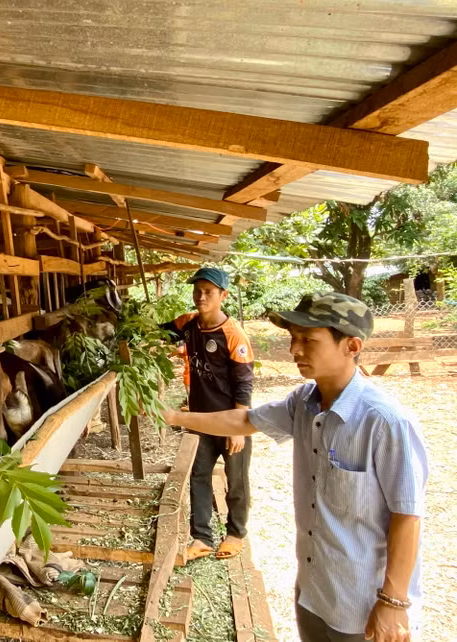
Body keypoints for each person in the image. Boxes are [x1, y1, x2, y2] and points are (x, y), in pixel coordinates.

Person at [162, 292, 429, 642]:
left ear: (351, 346)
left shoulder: (384, 422)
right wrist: (172, 416)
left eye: (308, 340)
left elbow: (407, 515)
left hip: (363, 607)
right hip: (314, 593)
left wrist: (394, 603)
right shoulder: (303, 402)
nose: (294, 350)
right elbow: (244, 419)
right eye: (293, 338)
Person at [161, 267, 254, 561]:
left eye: (209, 292)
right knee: (198, 475)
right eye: (197, 291)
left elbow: (244, 384)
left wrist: (238, 428)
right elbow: (159, 333)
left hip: (230, 422)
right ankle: (201, 537)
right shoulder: (188, 324)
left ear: (222, 296)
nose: (201, 297)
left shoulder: (233, 335)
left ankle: (236, 533)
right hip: (200, 420)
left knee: (236, 479)